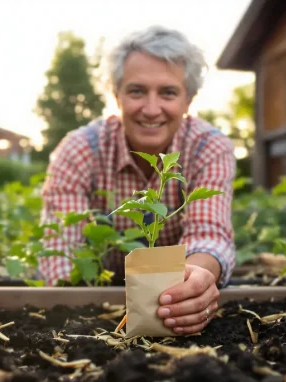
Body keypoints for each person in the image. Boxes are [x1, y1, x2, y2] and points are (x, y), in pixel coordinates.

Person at [38, 25, 236, 335]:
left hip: (172, 302)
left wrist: (198, 277)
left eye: (168, 92)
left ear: (189, 100)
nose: (151, 109)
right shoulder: (79, 150)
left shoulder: (207, 147)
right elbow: (62, 249)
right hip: (98, 304)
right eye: (136, 91)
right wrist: (79, 328)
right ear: (116, 95)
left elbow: (209, 234)